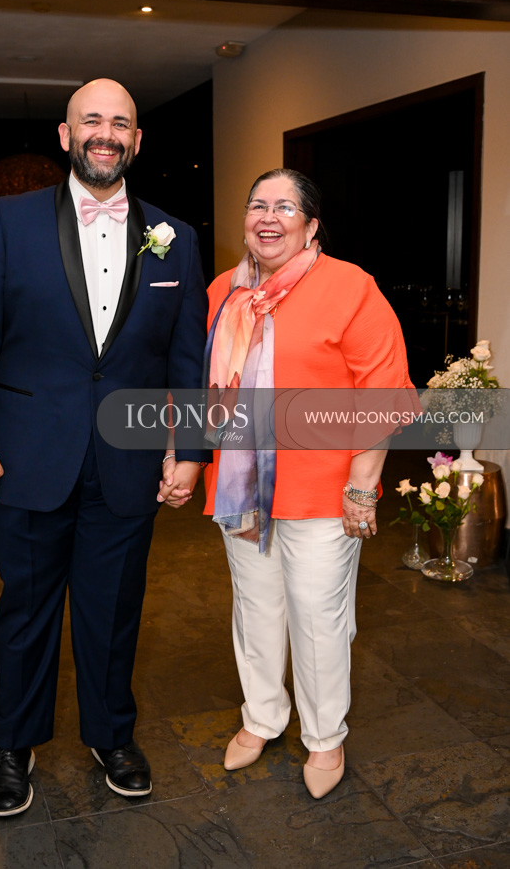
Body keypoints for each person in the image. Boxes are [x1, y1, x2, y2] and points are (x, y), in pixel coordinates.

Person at [0, 79, 208, 817]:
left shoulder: (175, 237)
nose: (105, 133)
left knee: (113, 610)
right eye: (91, 120)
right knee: (26, 611)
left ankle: (111, 736)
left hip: (128, 463)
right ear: (66, 135)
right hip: (26, 456)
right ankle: (14, 744)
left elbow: (187, 357)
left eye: (120, 123)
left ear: (136, 141)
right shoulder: (10, 222)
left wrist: (190, 449)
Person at [203, 168, 413, 798]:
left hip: (324, 491)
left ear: (312, 224)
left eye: (285, 207)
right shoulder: (223, 291)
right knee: (255, 608)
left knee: (319, 617)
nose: (268, 218)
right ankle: (262, 716)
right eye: (257, 205)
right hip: (242, 489)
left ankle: (324, 736)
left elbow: (384, 392)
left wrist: (362, 487)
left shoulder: (350, 287)